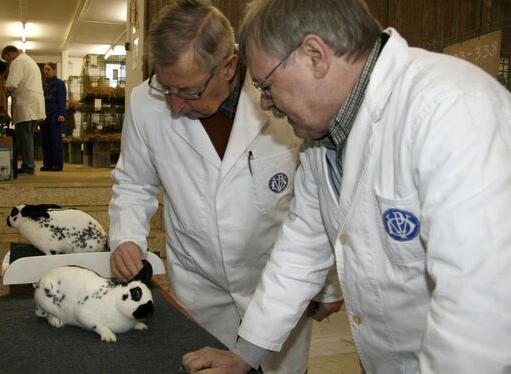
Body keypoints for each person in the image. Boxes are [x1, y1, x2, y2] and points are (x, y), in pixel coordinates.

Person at [182, 0, 511, 373]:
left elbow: (481, 308)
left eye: (266, 84)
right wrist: (245, 355)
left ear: (314, 55)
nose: (267, 103)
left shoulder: (451, 110)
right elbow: (300, 250)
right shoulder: (324, 139)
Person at [108, 1, 342, 373]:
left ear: (228, 67)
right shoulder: (143, 103)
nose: (173, 106)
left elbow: (318, 197)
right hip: (200, 286)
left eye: (187, 91)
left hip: (277, 284)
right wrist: (127, 237)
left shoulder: (283, 97)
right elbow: (134, 183)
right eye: (163, 87)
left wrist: (327, 282)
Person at [2, 45, 45, 175]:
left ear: (11, 55)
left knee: (25, 137)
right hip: (33, 104)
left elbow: (11, 83)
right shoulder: (29, 61)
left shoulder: (17, 61)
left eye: (6, 60)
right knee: (28, 137)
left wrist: (2, 87)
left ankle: (28, 167)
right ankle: (28, 164)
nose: (8, 63)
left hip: (26, 105)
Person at [40, 62, 67, 171]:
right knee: (45, 140)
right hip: (43, 113)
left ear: (54, 70)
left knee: (55, 140)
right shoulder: (41, 84)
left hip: (55, 113)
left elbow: (62, 99)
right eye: (45, 70)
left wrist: (62, 114)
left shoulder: (59, 83)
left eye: (48, 69)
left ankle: (57, 164)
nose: (46, 71)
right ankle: (47, 164)